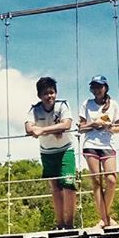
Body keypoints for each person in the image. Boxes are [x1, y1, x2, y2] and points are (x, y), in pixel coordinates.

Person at [25, 77, 76, 229]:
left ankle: (69, 224)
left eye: (52, 92)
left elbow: (66, 124)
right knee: (55, 187)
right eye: (46, 94)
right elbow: (29, 128)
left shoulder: (62, 106)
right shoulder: (35, 109)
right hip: (47, 153)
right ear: (39, 96)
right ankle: (60, 224)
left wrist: (42, 130)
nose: (49, 96)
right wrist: (55, 130)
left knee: (69, 185)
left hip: (66, 149)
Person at [78, 74, 119, 228]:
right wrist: (94, 124)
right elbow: (81, 128)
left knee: (111, 180)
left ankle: (105, 217)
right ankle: (105, 219)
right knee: (97, 181)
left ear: (105, 88)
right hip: (90, 144)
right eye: (94, 86)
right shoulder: (87, 104)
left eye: (100, 86)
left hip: (107, 145)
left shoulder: (114, 105)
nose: (97, 89)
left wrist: (107, 126)